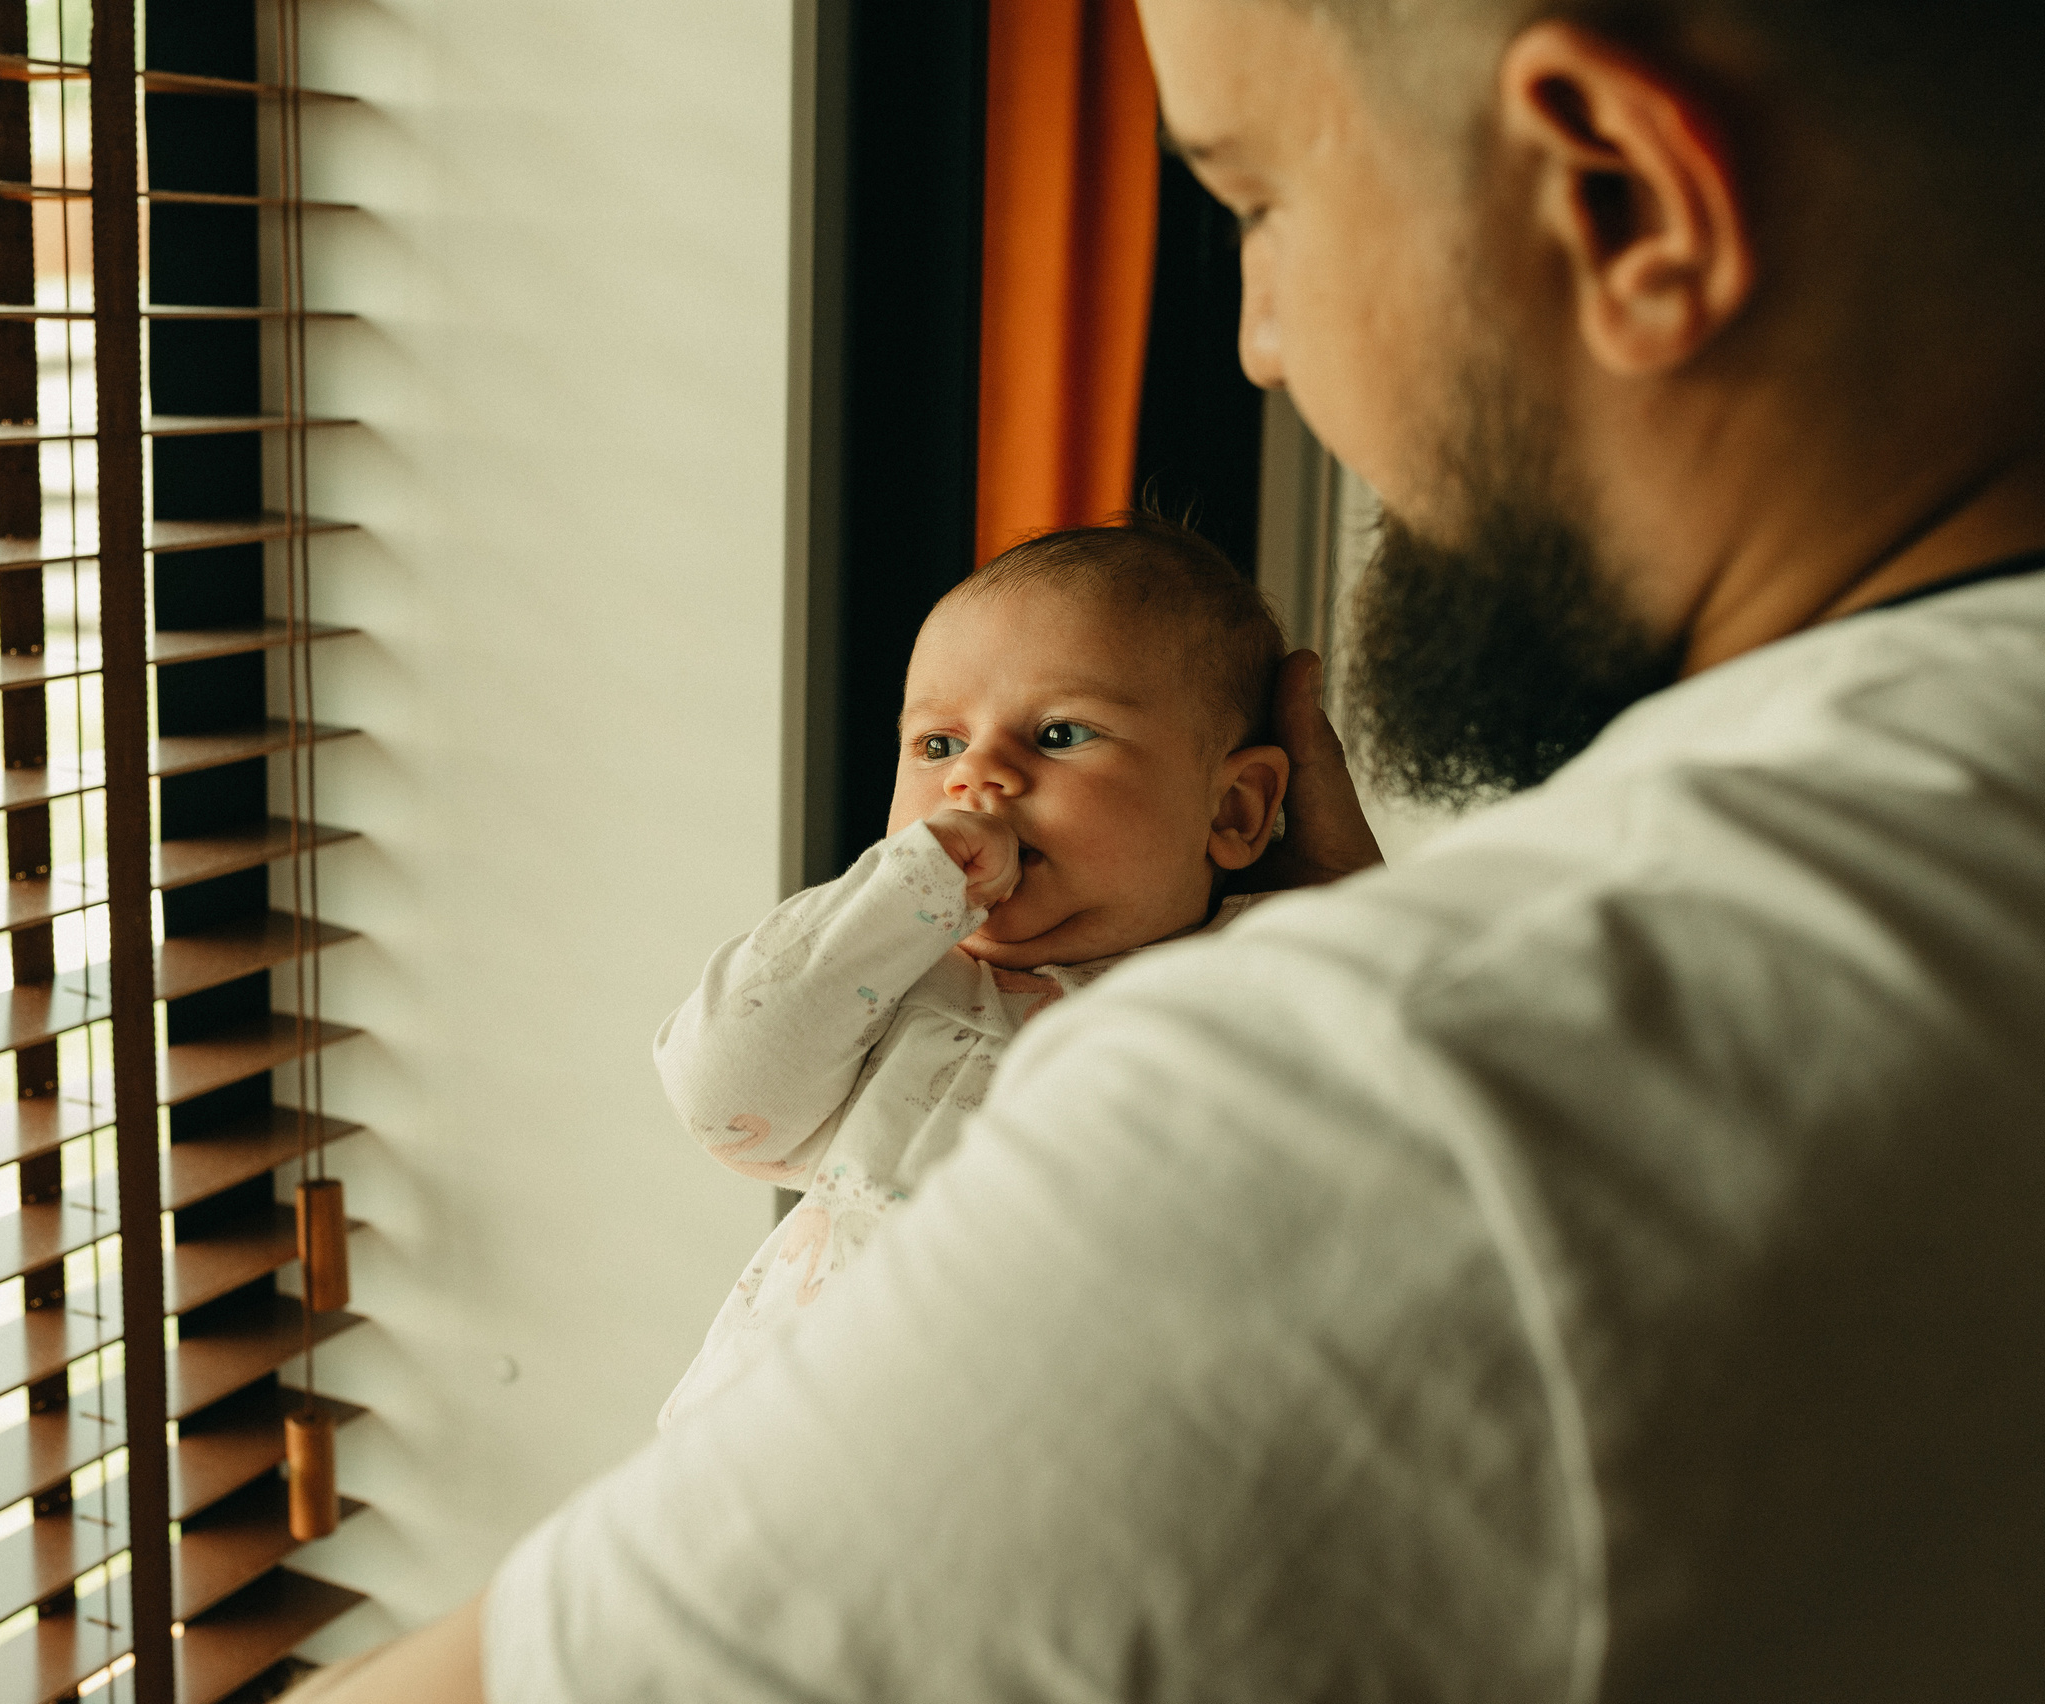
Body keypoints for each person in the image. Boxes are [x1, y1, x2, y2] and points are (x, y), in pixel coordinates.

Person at [310, 0, 2045, 1696]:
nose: (1259, 344)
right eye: (938, 741)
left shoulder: (1389, 1105)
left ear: (1623, 198)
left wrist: (1378, 1016)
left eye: (1259, 203)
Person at [654, 516, 1289, 1427]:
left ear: (1232, 810)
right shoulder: (892, 982)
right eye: (937, 745)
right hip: (778, 1443)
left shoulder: (1266, 983)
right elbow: (724, 1097)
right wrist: (903, 892)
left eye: (1059, 733)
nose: (976, 774)